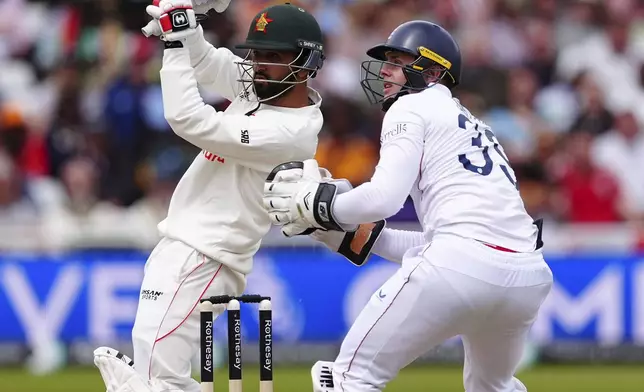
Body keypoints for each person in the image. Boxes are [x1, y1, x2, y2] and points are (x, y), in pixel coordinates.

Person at [263, 20, 553, 392]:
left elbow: (384, 199)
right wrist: (362, 235)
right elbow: (461, 248)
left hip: (462, 265)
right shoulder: (475, 125)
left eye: (397, 60)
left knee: (348, 379)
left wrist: (319, 205)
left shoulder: (411, 106)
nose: (384, 69)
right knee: (493, 387)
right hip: (527, 277)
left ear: (432, 72)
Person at [93, 2, 325, 392]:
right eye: (256, 53)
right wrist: (185, 22)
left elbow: (188, 119)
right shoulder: (262, 88)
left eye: (273, 56)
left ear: (305, 64)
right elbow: (208, 60)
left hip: (209, 255)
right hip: (185, 244)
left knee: (156, 379)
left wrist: (173, 43)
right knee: (155, 374)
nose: (259, 64)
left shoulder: (290, 131)